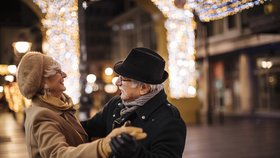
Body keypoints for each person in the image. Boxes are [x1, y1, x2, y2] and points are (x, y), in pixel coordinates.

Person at [17, 52, 146, 158]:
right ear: (43, 81)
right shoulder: (43, 114)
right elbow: (58, 154)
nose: (64, 75)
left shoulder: (58, 107)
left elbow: (83, 134)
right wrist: (103, 146)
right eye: (57, 71)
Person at [82, 47, 187, 158]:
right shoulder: (116, 104)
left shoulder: (170, 120)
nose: (117, 83)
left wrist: (135, 153)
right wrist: (64, 121)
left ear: (144, 88)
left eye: (123, 79)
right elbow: (87, 130)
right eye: (118, 77)